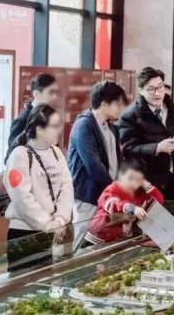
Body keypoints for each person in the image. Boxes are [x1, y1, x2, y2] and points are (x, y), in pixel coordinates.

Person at [4, 105, 73, 271]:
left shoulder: (57, 153)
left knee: (46, 280)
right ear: (39, 129)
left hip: (53, 230)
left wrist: (60, 220)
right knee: (23, 283)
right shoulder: (20, 154)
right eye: (54, 126)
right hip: (25, 233)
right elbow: (22, 197)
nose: (58, 131)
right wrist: (46, 224)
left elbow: (66, 187)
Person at [118, 67, 174, 200]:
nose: (157, 93)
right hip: (151, 184)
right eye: (151, 89)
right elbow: (128, 149)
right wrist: (157, 147)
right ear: (141, 90)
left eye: (160, 87)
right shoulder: (130, 115)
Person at [67, 81, 127, 249]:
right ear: (104, 104)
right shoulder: (84, 125)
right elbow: (93, 165)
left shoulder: (111, 127)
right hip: (89, 195)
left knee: (102, 243)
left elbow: (117, 161)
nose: (120, 108)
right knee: (81, 240)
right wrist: (113, 191)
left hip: (108, 195)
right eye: (117, 104)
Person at [84, 160, 164, 246]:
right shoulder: (112, 189)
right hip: (99, 238)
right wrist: (132, 208)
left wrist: (146, 185)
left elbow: (158, 201)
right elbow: (113, 204)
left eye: (138, 180)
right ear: (121, 176)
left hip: (119, 239)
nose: (133, 183)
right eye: (130, 178)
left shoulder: (140, 193)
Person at [8, 73, 60, 158]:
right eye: (51, 92)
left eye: (56, 92)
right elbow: (11, 156)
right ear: (36, 94)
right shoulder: (22, 121)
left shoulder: (51, 116)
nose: (55, 97)